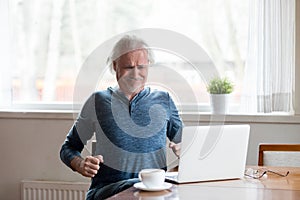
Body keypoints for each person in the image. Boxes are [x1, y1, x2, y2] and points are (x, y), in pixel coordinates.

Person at [60, 35, 183, 200]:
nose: (135, 73)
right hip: (111, 191)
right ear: (115, 66)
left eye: (141, 67)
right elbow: (68, 148)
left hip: (152, 192)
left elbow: (186, 146)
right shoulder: (98, 101)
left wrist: (185, 153)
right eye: (128, 67)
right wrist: (81, 164)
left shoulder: (164, 100)